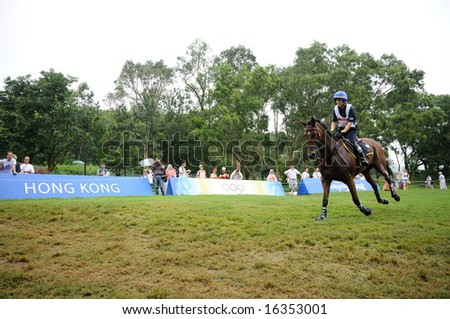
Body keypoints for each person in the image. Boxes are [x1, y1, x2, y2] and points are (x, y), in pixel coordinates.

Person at [330, 91, 369, 166]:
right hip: (340, 129)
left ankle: (362, 157)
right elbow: (334, 122)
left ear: (344, 100)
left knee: (352, 143)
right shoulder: (335, 109)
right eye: (336, 100)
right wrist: (331, 130)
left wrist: (344, 131)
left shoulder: (350, 108)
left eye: (339, 100)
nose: (337, 102)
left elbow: (350, 123)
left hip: (351, 129)